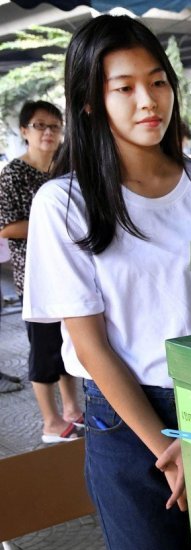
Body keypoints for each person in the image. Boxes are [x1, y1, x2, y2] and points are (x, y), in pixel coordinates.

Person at [22, 15, 191, 550]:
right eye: (124, 88)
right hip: (124, 418)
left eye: (158, 82)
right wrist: (168, 450)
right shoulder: (63, 205)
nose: (149, 101)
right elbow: (89, 346)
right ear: (90, 102)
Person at [0, 100, 83, 434]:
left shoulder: (68, 166)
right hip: (36, 275)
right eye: (39, 125)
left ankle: (73, 409)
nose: (48, 132)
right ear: (24, 131)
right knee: (44, 349)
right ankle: (50, 422)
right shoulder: (13, 174)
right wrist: (54, 223)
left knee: (71, 343)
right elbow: (6, 226)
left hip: (71, 269)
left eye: (54, 125)